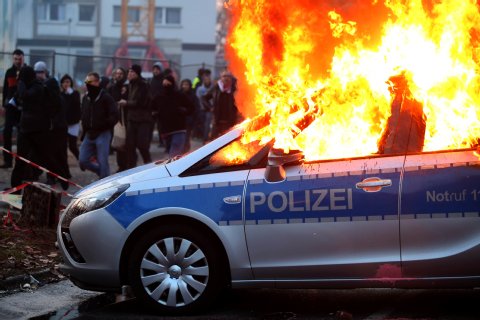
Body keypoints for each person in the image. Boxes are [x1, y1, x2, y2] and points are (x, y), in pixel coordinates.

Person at [10, 65, 65, 189]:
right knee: (20, 161)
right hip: (25, 130)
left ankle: (62, 178)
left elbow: (24, 95)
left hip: (39, 131)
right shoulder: (29, 86)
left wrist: (21, 84)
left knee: (47, 156)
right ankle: (15, 190)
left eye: (22, 76)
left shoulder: (37, 87)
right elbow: (19, 99)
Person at [79, 72, 118, 179]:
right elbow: (84, 114)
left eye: (89, 82)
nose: (87, 84)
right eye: (86, 82)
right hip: (89, 133)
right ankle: (101, 172)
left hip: (103, 133)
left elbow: (115, 115)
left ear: (97, 82)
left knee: (103, 161)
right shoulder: (85, 98)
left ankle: (105, 184)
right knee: (82, 160)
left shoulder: (106, 97)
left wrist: (105, 124)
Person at [118, 64, 152, 169]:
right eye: (128, 72)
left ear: (137, 73)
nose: (129, 74)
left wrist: (127, 103)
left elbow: (141, 102)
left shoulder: (143, 85)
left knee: (142, 146)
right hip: (131, 120)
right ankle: (131, 168)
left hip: (143, 120)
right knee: (130, 146)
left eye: (132, 72)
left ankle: (149, 166)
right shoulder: (129, 85)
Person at [154, 75, 194, 158]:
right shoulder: (159, 96)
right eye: (164, 84)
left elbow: (192, 108)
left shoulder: (179, 95)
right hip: (165, 130)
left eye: (168, 84)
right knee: (171, 153)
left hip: (178, 129)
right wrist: (157, 115)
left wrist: (183, 111)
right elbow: (152, 108)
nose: (166, 86)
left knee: (174, 154)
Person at [1, 49, 26, 168]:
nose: (17, 61)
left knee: (23, 134)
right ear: (13, 59)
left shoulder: (27, 71)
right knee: (7, 132)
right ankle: (7, 161)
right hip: (10, 107)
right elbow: (6, 89)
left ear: (23, 58)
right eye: (15, 59)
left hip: (23, 108)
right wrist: (3, 105)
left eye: (19, 59)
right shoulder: (9, 72)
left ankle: (22, 162)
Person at [202, 70, 240, 138]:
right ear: (221, 78)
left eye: (228, 76)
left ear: (231, 78)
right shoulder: (216, 88)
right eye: (224, 76)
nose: (226, 78)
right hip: (217, 121)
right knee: (214, 140)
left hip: (230, 121)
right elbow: (204, 98)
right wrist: (210, 108)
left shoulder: (234, 89)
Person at [107, 67, 129, 172]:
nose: (118, 75)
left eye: (121, 73)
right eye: (117, 73)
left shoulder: (128, 87)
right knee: (118, 143)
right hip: (116, 119)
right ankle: (121, 166)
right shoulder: (112, 87)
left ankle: (128, 165)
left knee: (127, 144)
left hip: (127, 118)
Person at [60, 74, 81, 160]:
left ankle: (80, 160)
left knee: (72, 146)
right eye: (64, 82)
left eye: (68, 82)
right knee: (62, 146)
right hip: (64, 123)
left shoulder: (75, 93)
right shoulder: (60, 94)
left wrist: (71, 94)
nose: (66, 84)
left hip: (73, 123)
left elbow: (76, 104)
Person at [180, 79, 201, 152]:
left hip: (189, 121)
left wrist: (195, 120)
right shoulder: (178, 95)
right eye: (183, 84)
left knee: (186, 138)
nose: (185, 86)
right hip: (179, 121)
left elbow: (196, 108)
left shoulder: (193, 96)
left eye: (186, 85)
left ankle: (185, 152)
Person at [196, 71, 214, 144]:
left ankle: (206, 138)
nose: (207, 81)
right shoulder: (200, 89)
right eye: (205, 80)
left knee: (208, 123)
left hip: (210, 109)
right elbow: (198, 98)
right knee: (203, 124)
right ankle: (203, 137)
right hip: (202, 109)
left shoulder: (213, 88)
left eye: (208, 79)